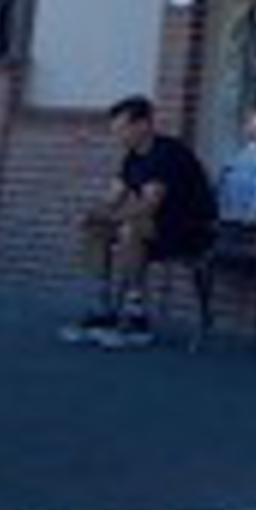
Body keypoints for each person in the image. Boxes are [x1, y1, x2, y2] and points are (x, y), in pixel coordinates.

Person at [69, 97, 217, 350]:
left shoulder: (167, 154)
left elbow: (149, 205)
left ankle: (137, 318)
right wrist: (92, 214)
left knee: (131, 228)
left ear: (144, 125)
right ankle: (103, 307)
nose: (118, 135)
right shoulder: (132, 157)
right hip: (156, 227)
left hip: (188, 230)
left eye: (122, 128)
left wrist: (111, 217)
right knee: (95, 228)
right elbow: (113, 198)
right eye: (114, 129)